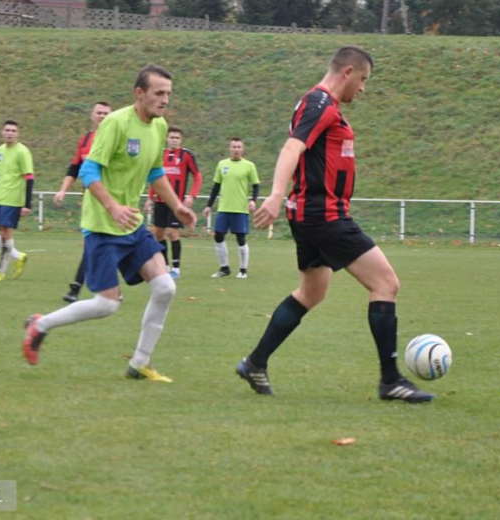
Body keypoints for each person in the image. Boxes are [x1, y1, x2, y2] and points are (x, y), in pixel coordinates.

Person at [235, 46, 434, 403]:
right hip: (324, 214)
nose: (363, 89)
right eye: (363, 80)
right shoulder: (320, 105)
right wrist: (276, 195)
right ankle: (391, 381)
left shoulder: (318, 104)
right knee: (386, 283)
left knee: (312, 292)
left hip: (310, 214)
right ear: (348, 72)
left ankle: (255, 362)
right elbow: (291, 149)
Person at [23, 64, 197, 383]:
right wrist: (113, 206)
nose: (165, 101)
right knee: (106, 305)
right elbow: (89, 172)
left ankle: (140, 363)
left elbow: (155, 173)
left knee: (164, 287)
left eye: (169, 94)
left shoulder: (159, 127)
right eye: (159, 94)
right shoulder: (116, 124)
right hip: (103, 226)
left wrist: (177, 207)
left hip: (131, 224)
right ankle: (40, 325)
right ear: (139, 94)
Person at [54, 101, 112, 303]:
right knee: (93, 243)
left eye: (106, 113)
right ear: (92, 115)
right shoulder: (86, 139)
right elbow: (74, 168)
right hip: (90, 199)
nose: (102, 116)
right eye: (99, 112)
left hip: (112, 199)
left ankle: (76, 288)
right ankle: (85, 288)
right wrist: (62, 190)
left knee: (101, 244)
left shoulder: (116, 138)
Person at [143, 125, 202, 279]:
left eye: (177, 138)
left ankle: (176, 268)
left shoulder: (186, 155)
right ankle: (165, 265)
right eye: (172, 137)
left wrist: (192, 195)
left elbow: (198, 176)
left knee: (173, 232)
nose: (174, 140)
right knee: (159, 233)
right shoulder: (160, 154)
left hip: (176, 202)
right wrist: (150, 197)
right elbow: (154, 177)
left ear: (180, 140)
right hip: (160, 201)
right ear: (167, 139)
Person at [0, 120, 34, 282]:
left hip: (13, 199)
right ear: (2, 132)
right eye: (7, 130)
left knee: (5, 234)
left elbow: (29, 178)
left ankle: (0, 271)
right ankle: (18, 256)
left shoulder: (22, 152)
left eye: (13, 130)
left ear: (18, 133)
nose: (10, 133)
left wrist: (27, 203)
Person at [202, 138, 259, 279]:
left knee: (240, 238)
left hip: (240, 209)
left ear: (242, 149)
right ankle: (224, 268)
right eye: (234, 147)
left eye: (239, 147)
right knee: (219, 235)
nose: (236, 149)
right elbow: (216, 187)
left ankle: (243, 270)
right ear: (229, 148)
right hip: (224, 208)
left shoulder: (249, 166)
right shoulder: (222, 164)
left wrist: (253, 200)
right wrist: (209, 205)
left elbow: (256, 185)